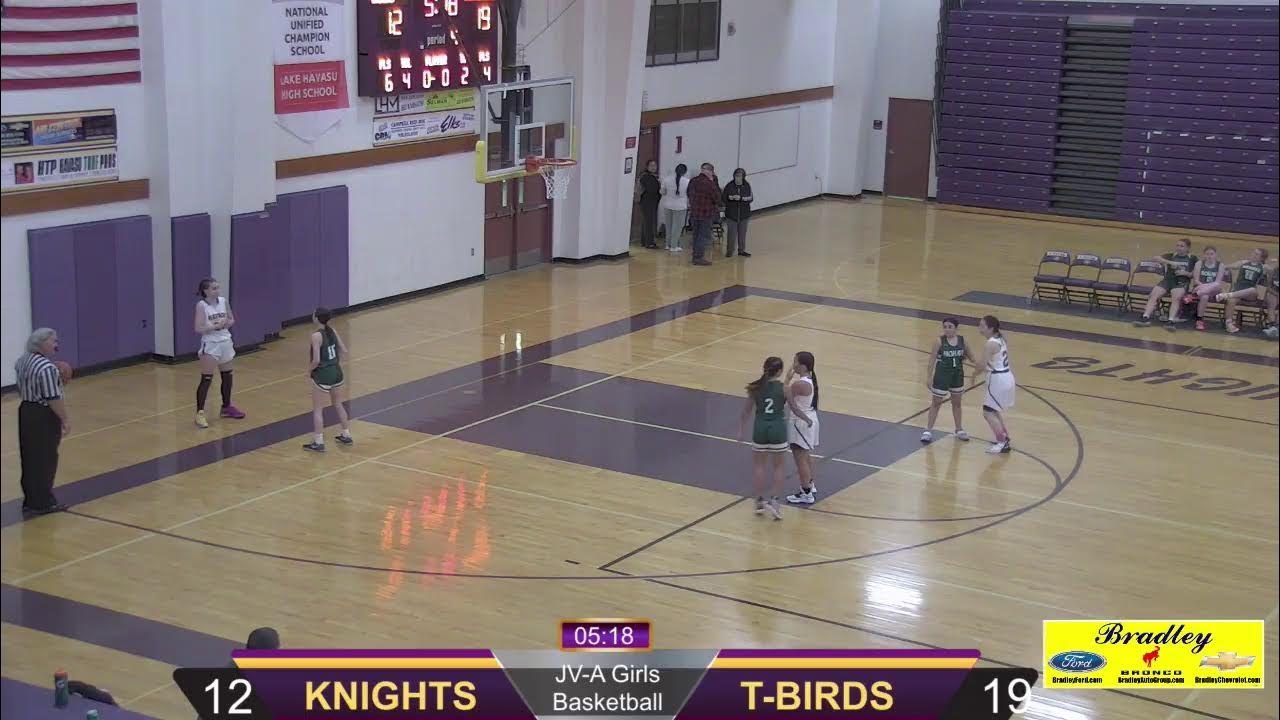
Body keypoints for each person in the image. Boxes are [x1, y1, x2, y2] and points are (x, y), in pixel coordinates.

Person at [15, 328, 69, 514]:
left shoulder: (22, 361)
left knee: (29, 456)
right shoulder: (47, 368)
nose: (56, 345)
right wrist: (64, 419)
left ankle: (30, 499)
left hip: (26, 410)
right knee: (46, 457)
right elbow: (53, 398)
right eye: (53, 341)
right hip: (42, 415)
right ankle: (44, 502)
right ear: (42, 343)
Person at [738, 356, 789, 520]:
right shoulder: (784, 388)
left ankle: (759, 501)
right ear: (780, 371)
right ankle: (774, 501)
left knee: (759, 467)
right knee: (779, 467)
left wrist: (740, 430)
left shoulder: (756, 388)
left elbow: (746, 412)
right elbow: (794, 406)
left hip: (760, 429)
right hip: (777, 429)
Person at [194, 278, 245, 428]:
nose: (217, 291)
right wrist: (214, 327)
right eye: (214, 288)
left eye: (218, 288)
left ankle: (226, 407)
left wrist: (226, 323)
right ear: (206, 291)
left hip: (225, 341)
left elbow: (231, 319)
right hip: (210, 344)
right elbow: (198, 328)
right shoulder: (202, 306)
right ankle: (200, 413)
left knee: (227, 375)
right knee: (207, 379)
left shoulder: (223, 301)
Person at [303, 307, 353, 452]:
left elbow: (316, 360)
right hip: (337, 371)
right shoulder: (332, 331)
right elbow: (344, 350)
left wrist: (309, 370)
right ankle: (346, 434)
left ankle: (318, 442)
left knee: (318, 409)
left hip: (323, 373)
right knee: (338, 404)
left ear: (317, 318)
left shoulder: (316, 336)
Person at [921, 318, 974, 444]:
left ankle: (959, 429)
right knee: (936, 403)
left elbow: (971, 357)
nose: (947, 329)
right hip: (942, 376)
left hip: (957, 375)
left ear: (956, 328)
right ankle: (928, 431)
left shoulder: (963, 340)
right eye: (945, 326)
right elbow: (931, 360)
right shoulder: (939, 341)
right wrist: (929, 377)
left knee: (957, 403)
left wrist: (982, 364)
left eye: (950, 327)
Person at [783, 352, 820, 506]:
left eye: (795, 362)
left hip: (801, 422)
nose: (793, 365)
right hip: (809, 418)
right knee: (805, 456)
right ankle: (810, 485)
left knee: (800, 459)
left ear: (803, 365)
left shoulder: (799, 385)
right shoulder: (810, 380)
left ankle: (806, 492)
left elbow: (787, 401)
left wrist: (786, 381)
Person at [1134, 238, 1196, 327]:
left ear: (1188, 248)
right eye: (1177, 245)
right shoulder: (1171, 255)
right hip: (1168, 280)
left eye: (1182, 246)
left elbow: (1196, 273)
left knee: (1176, 297)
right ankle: (1145, 317)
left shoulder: (1192, 258)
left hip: (1181, 282)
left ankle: (1171, 321)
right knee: (1153, 295)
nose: (1179, 248)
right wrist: (1171, 263)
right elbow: (1155, 258)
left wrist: (1186, 273)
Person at [975, 315, 1014, 455]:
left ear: (991, 328)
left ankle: (1002, 442)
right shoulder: (1001, 339)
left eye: (982, 326)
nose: (979, 328)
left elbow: (982, 364)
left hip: (998, 379)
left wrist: (973, 374)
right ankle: (1005, 437)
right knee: (994, 410)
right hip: (1006, 376)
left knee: (988, 412)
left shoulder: (990, 343)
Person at [1216, 249, 1270, 335]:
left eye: (1256, 254)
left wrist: (1273, 262)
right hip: (1238, 291)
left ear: (1261, 258)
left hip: (1251, 295)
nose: (1253, 255)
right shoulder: (1243, 262)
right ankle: (1229, 324)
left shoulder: (1263, 267)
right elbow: (1228, 266)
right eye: (1253, 252)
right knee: (1231, 300)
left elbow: (1273, 271)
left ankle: (1227, 295)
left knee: (1252, 290)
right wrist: (1222, 268)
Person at [686, 162, 722, 267]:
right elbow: (717, 198)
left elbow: (688, 193)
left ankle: (695, 256)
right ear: (710, 171)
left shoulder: (693, 181)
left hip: (694, 213)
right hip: (706, 214)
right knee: (703, 236)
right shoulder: (709, 183)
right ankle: (699, 258)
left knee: (696, 235)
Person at [1184, 246, 1225, 332]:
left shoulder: (1220, 265)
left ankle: (1193, 296)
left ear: (1215, 255)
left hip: (1213, 290)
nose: (1209, 256)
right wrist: (1202, 287)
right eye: (1207, 254)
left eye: (1211, 254)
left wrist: (1204, 287)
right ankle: (1199, 320)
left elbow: (1218, 282)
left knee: (1217, 285)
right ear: (1204, 255)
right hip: (1200, 288)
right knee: (1204, 296)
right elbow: (1196, 280)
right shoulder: (1199, 263)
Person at [722, 168, 753, 258]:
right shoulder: (729, 186)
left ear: (743, 177)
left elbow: (750, 198)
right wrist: (730, 198)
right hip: (731, 214)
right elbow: (724, 198)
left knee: (742, 234)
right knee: (731, 234)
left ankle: (741, 250)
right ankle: (730, 251)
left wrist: (741, 198)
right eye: (736, 176)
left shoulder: (747, 185)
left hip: (744, 214)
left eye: (740, 176)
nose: (738, 178)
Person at [660, 163, 689, 252]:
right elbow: (689, 194)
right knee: (677, 228)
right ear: (685, 172)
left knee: (668, 226)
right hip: (681, 207)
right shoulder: (687, 181)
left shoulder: (667, 179)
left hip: (668, 205)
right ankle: (674, 246)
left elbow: (662, 192)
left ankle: (668, 245)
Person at [637, 160, 661, 249]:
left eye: (655, 165)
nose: (654, 167)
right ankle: (649, 243)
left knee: (646, 222)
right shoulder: (646, 177)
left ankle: (644, 241)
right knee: (649, 222)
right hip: (647, 202)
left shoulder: (652, 176)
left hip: (650, 202)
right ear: (647, 166)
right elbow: (652, 189)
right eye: (651, 165)